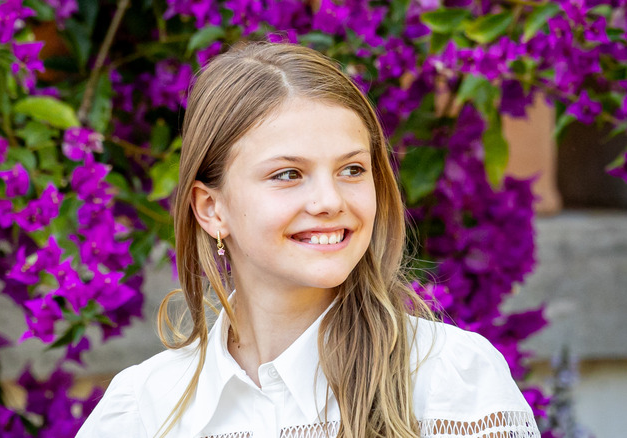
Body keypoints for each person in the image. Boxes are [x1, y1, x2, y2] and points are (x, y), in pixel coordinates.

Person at [76, 42, 541, 438]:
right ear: (211, 209)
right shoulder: (143, 410)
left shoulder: (452, 383)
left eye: (352, 169)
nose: (329, 200)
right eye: (288, 174)